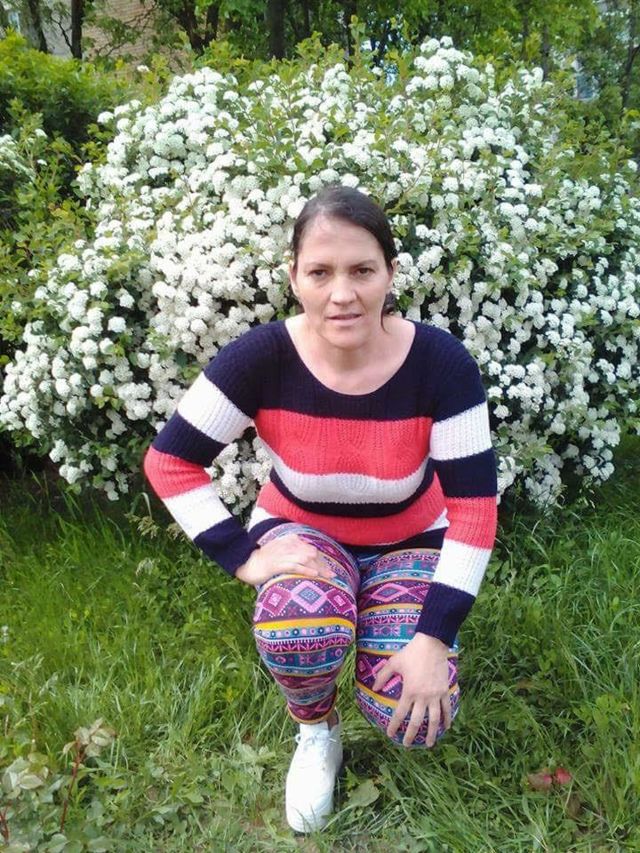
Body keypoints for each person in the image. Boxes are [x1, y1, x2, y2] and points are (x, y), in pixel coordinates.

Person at [143, 185, 498, 833]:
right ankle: (317, 729)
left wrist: (432, 637)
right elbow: (170, 461)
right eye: (320, 272)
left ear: (391, 273)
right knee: (298, 628)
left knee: (413, 713)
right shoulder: (261, 357)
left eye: (362, 270)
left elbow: (474, 510)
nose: (342, 294)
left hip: (411, 537)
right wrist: (243, 556)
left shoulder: (441, 364)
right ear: (294, 277)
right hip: (304, 531)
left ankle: (391, 624)